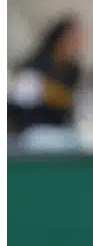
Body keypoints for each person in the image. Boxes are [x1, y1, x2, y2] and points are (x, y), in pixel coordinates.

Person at [8, 14, 85, 152]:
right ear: (60, 39)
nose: (78, 43)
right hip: (34, 134)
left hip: (63, 133)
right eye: (73, 38)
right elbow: (22, 101)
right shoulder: (34, 66)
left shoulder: (74, 70)